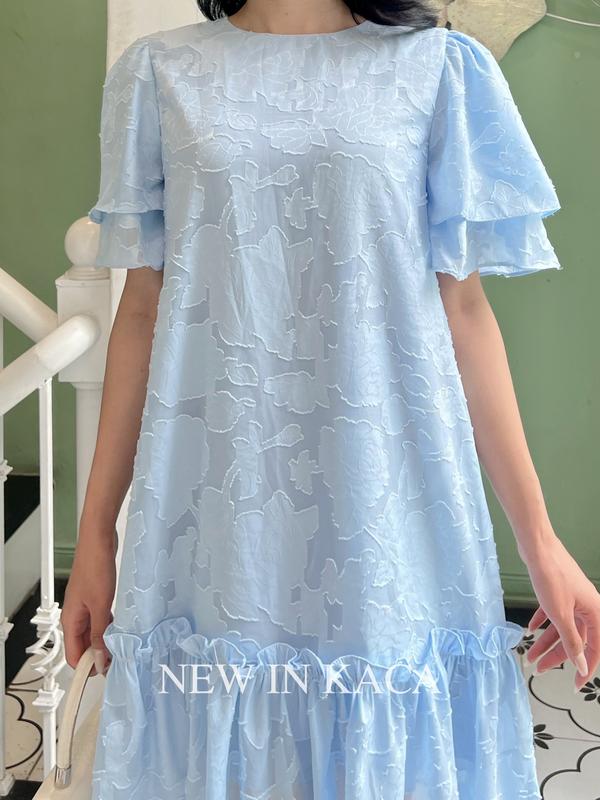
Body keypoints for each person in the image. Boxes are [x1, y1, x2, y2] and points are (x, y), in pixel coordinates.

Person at [60, 1, 600, 798]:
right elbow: (141, 312)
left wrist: (541, 540)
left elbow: (464, 313)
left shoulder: (438, 71)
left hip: (387, 499)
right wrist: (96, 534)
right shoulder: (160, 72)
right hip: (217, 511)